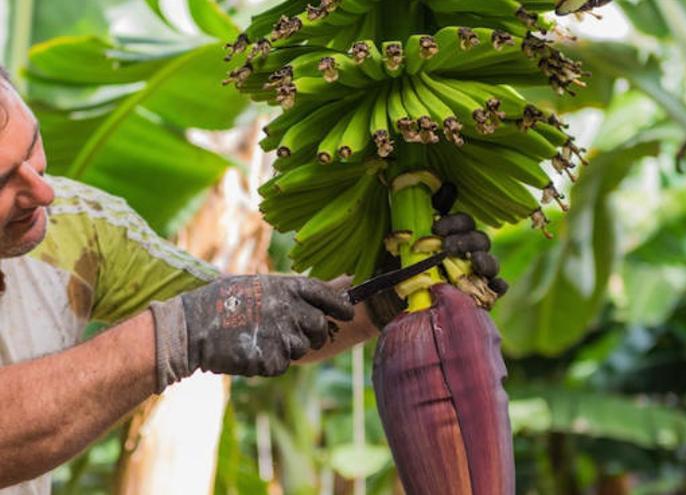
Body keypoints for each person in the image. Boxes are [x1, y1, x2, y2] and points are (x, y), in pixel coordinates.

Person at [0, 66, 502, 494]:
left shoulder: (78, 228)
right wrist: (177, 332)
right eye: (4, 181)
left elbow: (253, 322)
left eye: (34, 146)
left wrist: (382, 295)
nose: (42, 191)